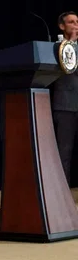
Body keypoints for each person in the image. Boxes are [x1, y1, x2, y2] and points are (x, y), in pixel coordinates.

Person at [51, 11, 78, 186]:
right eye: (71, 22)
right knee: (64, 152)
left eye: (77, 22)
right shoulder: (57, 46)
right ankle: (61, 192)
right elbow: (70, 65)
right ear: (62, 26)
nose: (76, 25)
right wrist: (73, 43)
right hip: (66, 105)